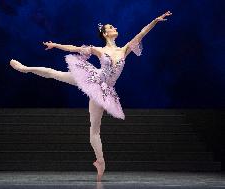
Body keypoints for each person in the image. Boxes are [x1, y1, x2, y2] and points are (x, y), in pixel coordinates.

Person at [9, 11, 172, 182]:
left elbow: (142, 33)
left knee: (95, 128)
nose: (115, 28)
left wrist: (155, 20)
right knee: (56, 74)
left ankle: (100, 161)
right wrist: (56, 45)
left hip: (104, 90)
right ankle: (25, 68)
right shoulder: (99, 50)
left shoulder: (124, 49)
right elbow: (75, 48)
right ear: (105, 33)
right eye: (111, 27)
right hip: (93, 78)